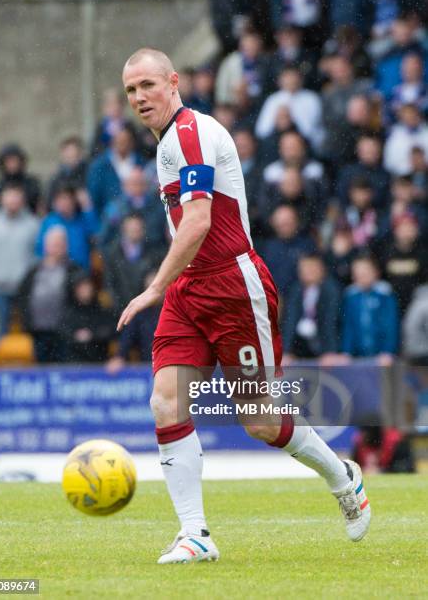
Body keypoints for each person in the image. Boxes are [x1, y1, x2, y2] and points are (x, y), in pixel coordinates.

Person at [117, 47, 371, 564]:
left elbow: (199, 222)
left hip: (233, 285)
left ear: (173, 82)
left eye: (147, 85)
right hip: (191, 288)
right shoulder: (168, 142)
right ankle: (196, 534)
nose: (139, 98)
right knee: (166, 400)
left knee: (257, 419)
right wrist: (173, 285)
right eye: (130, 91)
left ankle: (342, 476)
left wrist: (153, 287)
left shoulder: (190, 134)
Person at [0, 184, 39, 341]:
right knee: (0, 328)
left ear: (22, 200)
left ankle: (30, 362)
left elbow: (37, 253)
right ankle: (0, 361)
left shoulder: (32, 224)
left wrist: (25, 275)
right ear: (1, 199)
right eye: (9, 196)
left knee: (28, 328)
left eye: (16, 197)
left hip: (24, 287)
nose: (12, 201)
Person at [18, 227, 81, 363]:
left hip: (64, 331)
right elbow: (23, 296)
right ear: (46, 246)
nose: (56, 248)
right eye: (53, 244)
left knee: (62, 366)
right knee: (42, 366)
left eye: (59, 244)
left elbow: (80, 299)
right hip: (38, 330)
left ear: (65, 246)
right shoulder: (34, 270)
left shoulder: (73, 269)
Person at [0, 143, 42, 214]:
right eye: (8, 161)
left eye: (14, 160)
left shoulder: (31, 183)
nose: (12, 164)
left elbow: (34, 204)